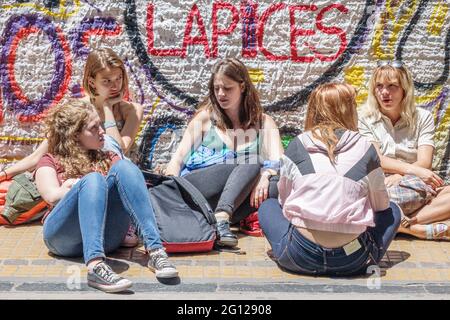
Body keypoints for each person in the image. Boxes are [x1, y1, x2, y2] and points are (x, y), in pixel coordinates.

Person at [0, 48, 143, 246]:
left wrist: (108, 109)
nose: (115, 86)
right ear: (91, 82)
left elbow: (120, 148)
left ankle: (122, 223)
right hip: (83, 176)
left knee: (117, 156)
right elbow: (38, 156)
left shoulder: (132, 110)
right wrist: (5, 174)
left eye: (118, 78)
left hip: (117, 176)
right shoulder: (78, 110)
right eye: (107, 81)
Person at [34, 100, 178, 293]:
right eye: (94, 128)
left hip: (107, 237)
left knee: (125, 166)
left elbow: (128, 184)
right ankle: (95, 267)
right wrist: (72, 188)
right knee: (93, 179)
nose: (102, 131)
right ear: (75, 135)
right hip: (63, 238)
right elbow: (50, 195)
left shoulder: (108, 157)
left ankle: (155, 250)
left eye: (100, 125)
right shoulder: (50, 160)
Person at [258, 82, 401, 276]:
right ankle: (366, 254)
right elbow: (381, 206)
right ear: (349, 110)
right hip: (351, 259)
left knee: (268, 206)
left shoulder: (297, 144)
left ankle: (284, 249)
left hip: (299, 256)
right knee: (392, 210)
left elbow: (284, 201)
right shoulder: (366, 148)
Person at [164, 58, 283, 247]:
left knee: (277, 185)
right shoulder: (205, 119)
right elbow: (178, 158)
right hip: (199, 191)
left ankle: (221, 218)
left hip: (232, 201)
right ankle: (221, 217)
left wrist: (266, 174)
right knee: (253, 160)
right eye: (217, 88)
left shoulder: (264, 122)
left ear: (242, 86)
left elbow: (279, 162)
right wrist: (168, 194)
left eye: (227, 88)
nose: (221, 94)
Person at [359, 61, 450, 241]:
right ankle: (415, 227)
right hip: (381, 188)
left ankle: (403, 226)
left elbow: (425, 162)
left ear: (405, 89)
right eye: (379, 86)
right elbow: (377, 160)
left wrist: (401, 176)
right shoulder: (365, 118)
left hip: (413, 186)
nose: (384, 92)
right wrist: (411, 170)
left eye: (392, 86)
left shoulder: (422, 117)